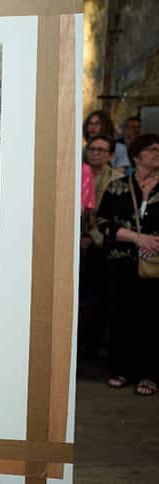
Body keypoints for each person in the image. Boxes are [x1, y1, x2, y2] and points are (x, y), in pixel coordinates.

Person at [96, 133, 159, 396]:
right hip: (122, 264)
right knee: (122, 316)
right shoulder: (118, 187)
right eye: (152, 149)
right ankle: (122, 369)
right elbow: (103, 223)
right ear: (136, 155)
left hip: (155, 266)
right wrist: (137, 238)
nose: (157, 153)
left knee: (153, 319)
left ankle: (149, 375)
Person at [79, 134, 124, 357]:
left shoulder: (117, 180)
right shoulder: (78, 174)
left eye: (101, 150)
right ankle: (83, 343)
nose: (95, 153)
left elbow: (113, 218)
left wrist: (92, 237)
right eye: (92, 149)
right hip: (79, 239)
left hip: (103, 244)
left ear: (111, 155)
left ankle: (95, 343)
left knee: (99, 297)